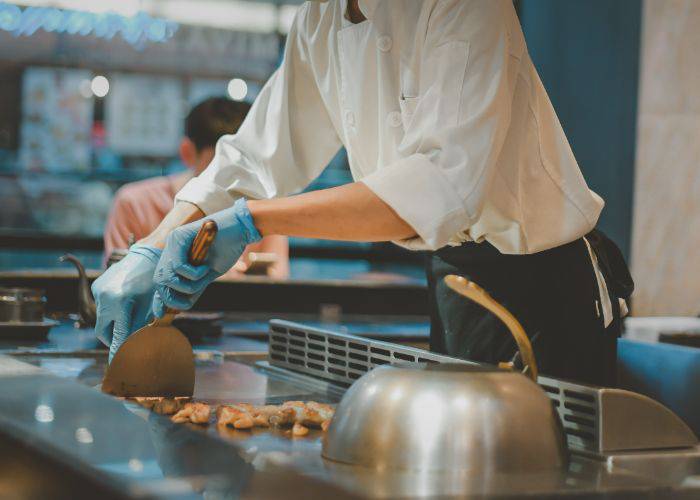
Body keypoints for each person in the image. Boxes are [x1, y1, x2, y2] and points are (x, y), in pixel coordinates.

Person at [92, 0, 632, 385]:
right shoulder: (319, 16)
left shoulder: (465, 5)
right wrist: (155, 244)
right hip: (454, 281)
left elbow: (441, 186)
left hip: (542, 286)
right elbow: (253, 155)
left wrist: (253, 221)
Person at [102, 97, 289, 279]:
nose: (237, 178)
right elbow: (118, 282)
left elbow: (276, 285)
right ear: (187, 152)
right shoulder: (135, 203)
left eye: (247, 164)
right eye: (223, 165)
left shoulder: (264, 207)